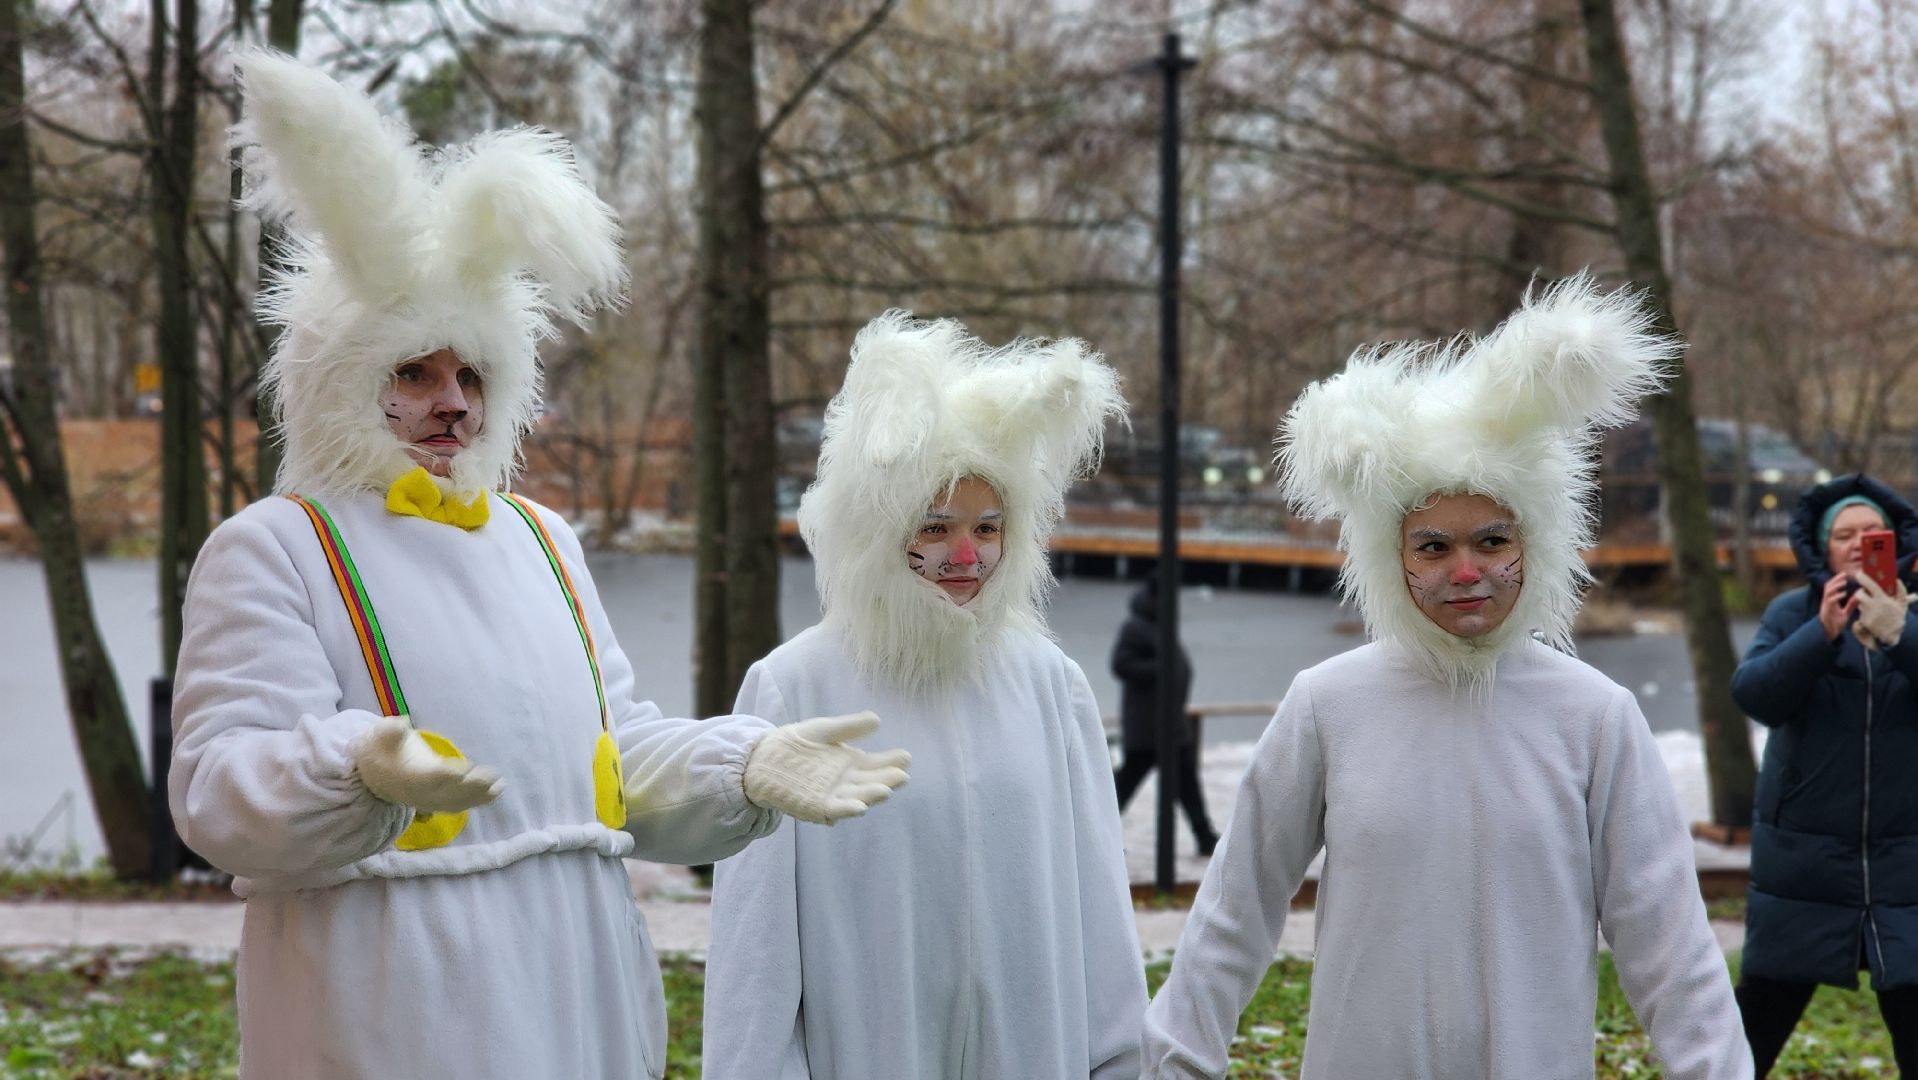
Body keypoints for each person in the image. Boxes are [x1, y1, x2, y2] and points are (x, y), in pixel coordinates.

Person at [169, 52, 907, 1079]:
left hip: (581, 989)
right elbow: (217, 795)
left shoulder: (541, 540)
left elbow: (610, 766)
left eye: (472, 374)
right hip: (394, 1005)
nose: (453, 402)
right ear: (339, 381)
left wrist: (741, 765)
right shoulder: (277, 546)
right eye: (414, 371)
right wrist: (356, 768)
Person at [1139, 275, 1752, 1079]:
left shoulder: (1596, 717)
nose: (1466, 571)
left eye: (1492, 541)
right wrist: (1175, 1063)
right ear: (1390, 558)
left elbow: (1668, 940)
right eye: (1433, 546)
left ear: (1534, 543)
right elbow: (1235, 908)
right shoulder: (1328, 705)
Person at [701, 311, 1147, 1079]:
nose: (967, 555)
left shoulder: (1050, 685)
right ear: (877, 530)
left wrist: (1121, 1061)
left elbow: (1100, 903)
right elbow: (755, 945)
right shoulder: (795, 686)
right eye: (936, 527)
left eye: (989, 527)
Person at [1730, 473, 1918, 1077]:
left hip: (1907, 867)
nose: (1860, 543)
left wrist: (1898, 632)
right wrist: (1822, 634)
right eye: (1844, 535)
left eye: (1873, 533)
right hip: (1803, 869)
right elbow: (1754, 695)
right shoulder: (1792, 613)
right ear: (1821, 549)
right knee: (1749, 1039)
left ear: (1896, 542)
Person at [1111, 577, 1217, 855]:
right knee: (1124, 786)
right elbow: (1121, 664)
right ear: (1156, 598)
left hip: (1171, 725)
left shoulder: (1160, 625)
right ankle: (1099, 836)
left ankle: (1205, 837)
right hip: (1148, 727)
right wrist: (1162, 668)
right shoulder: (1136, 627)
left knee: (1187, 784)